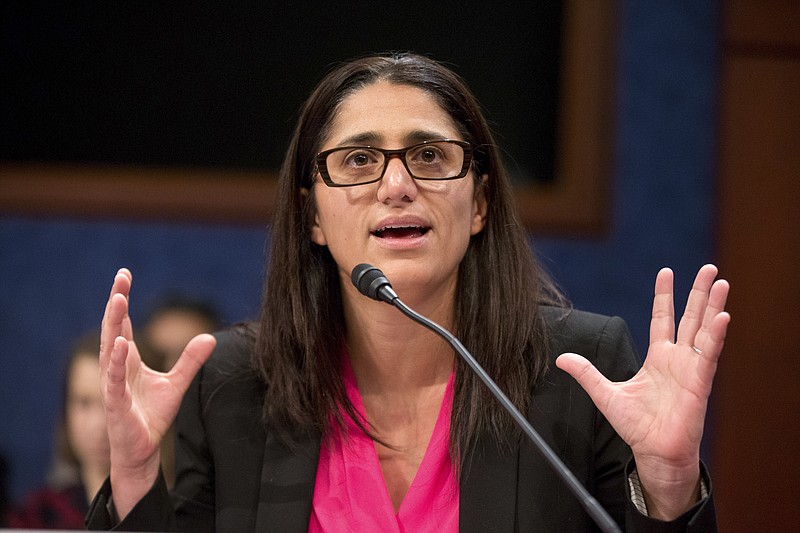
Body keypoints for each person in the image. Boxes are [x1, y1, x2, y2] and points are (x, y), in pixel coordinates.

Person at [86, 52, 730, 532]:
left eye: (428, 155)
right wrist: (138, 477)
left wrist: (669, 485)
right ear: (312, 215)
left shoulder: (579, 372)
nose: (396, 184)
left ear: (478, 202)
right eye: (359, 160)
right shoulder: (236, 383)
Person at [9, 332, 110, 529]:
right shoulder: (39, 514)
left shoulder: (171, 514)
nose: (98, 424)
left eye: (111, 404)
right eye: (83, 402)